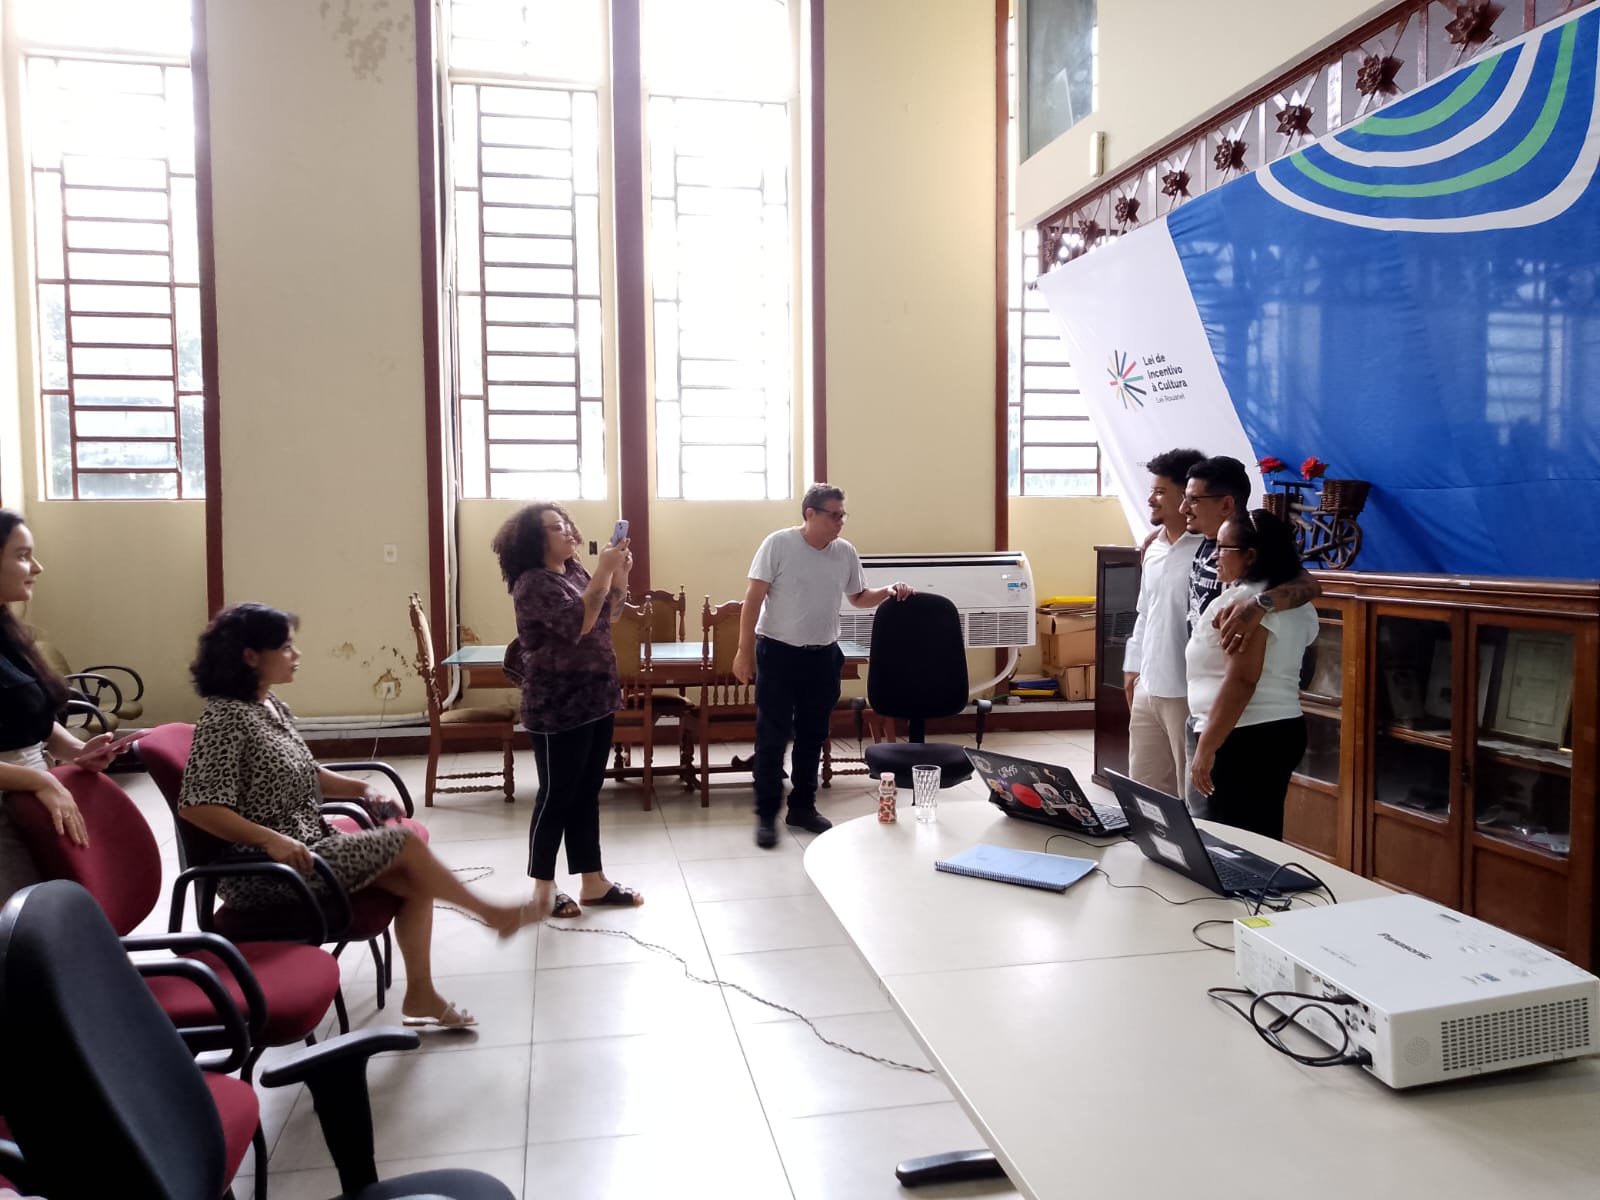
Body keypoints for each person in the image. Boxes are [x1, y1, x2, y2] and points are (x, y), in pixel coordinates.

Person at [179, 603, 541, 1030]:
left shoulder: (268, 704)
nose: (296, 655)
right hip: (267, 871)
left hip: (308, 845)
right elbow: (197, 806)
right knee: (404, 843)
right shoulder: (224, 718)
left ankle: (421, 994)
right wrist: (270, 840)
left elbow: (306, 773)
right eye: (286, 647)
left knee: (414, 877)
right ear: (250, 656)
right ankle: (493, 916)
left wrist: (364, 790)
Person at [733, 483, 911, 848]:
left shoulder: (844, 552)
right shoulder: (778, 544)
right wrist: (743, 652)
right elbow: (753, 599)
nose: (840, 522)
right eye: (834, 515)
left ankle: (802, 807)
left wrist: (889, 591)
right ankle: (766, 814)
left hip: (823, 656)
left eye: (843, 515)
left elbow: (858, 597)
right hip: (778, 653)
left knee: (813, 734)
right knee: (772, 736)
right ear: (810, 513)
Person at [493, 503, 645, 920]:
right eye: (555, 527)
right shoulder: (532, 583)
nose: (566, 532)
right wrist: (604, 570)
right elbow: (580, 621)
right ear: (534, 538)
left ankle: (593, 881)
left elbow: (610, 613)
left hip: (596, 696)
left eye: (565, 525)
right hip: (556, 704)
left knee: (586, 792)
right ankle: (543, 888)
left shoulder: (574, 570)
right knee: (556, 795)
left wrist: (619, 574)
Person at [1178, 455, 1321, 815]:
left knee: (1222, 835)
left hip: (1241, 732)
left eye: (1223, 550)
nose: (1216, 557)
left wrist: (1207, 748)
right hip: (1274, 727)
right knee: (1260, 829)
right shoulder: (1286, 599)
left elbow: (1242, 680)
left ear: (1251, 556)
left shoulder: (1247, 605)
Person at [0, 509, 123, 903]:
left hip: (28, 798)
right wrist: (40, 781)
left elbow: (24, 713)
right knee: (22, 917)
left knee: (55, 909)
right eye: (22, 556)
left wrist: (74, 749)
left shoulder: (6, 631)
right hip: (10, 804)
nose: (36, 567)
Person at [1122, 448, 1205, 794]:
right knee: (1144, 788)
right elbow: (1145, 612)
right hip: (1148, 685)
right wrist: (1132, 668)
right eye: (1151, 490)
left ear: (1186, 496)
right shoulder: (1153, 548)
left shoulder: (1210, 549)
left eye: (1160, 491)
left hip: (1187, 692)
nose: (1150, 499)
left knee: (1190, 792)